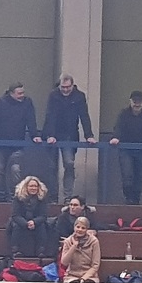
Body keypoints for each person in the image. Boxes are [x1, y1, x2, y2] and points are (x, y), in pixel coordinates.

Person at [0, 83, 42, 201]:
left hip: (18, 144)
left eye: (23, 93)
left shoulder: (27, 103)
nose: (22, 95)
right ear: (11, 93)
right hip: (0, 144)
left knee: (15, 170)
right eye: (19, 93)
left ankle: (14, 197)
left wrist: (34, 135)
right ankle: (1, 197)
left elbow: (31, 120)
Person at [41, 74, 96, 202]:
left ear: (72, 85)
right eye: (63, 87)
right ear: (59, 86)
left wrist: (89, 135)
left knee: (69, 163)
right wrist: (50, 135)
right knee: (51, 167)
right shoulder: (53, 95)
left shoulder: (79, 96)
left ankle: (68, 196)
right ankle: (53, 197)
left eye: (68, 87)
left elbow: (84, 116)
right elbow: (50, 116)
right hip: (53, 134)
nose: (65, 90)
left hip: (70, 135)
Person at [109, 91, 142, 205]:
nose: (137, 104)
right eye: (135, 101)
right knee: (127, 174)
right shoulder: (124, 113)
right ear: (130, 101)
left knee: (140, 175)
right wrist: (115, 137)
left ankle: (136, 200)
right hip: (126, 149)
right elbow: (118, 127)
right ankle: (129, 198)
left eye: (139, 101)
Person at [6, 176, 50, 257]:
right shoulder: (18, 198)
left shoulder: (42, 199)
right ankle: (15, 250)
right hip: (21, 221)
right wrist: (26, 223)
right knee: (16, 226)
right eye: (31, 186)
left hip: (36, 222)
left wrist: (34, 222)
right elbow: (15, 215)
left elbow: (43, 215)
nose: (33, 188)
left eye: (35, 186)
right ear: (26, 187)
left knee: (42, 226)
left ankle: (41, 251)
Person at [61, 216, 100, 283]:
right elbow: (64, 262)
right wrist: (74, 246)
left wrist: (84, 278)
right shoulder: (68, 241)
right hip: (71, 276)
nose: (80, 230)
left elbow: (95, 265)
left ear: (87, 229)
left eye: (83, 228)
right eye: (78, 227)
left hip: (90, 276)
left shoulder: (94, 241)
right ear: (74, 227)